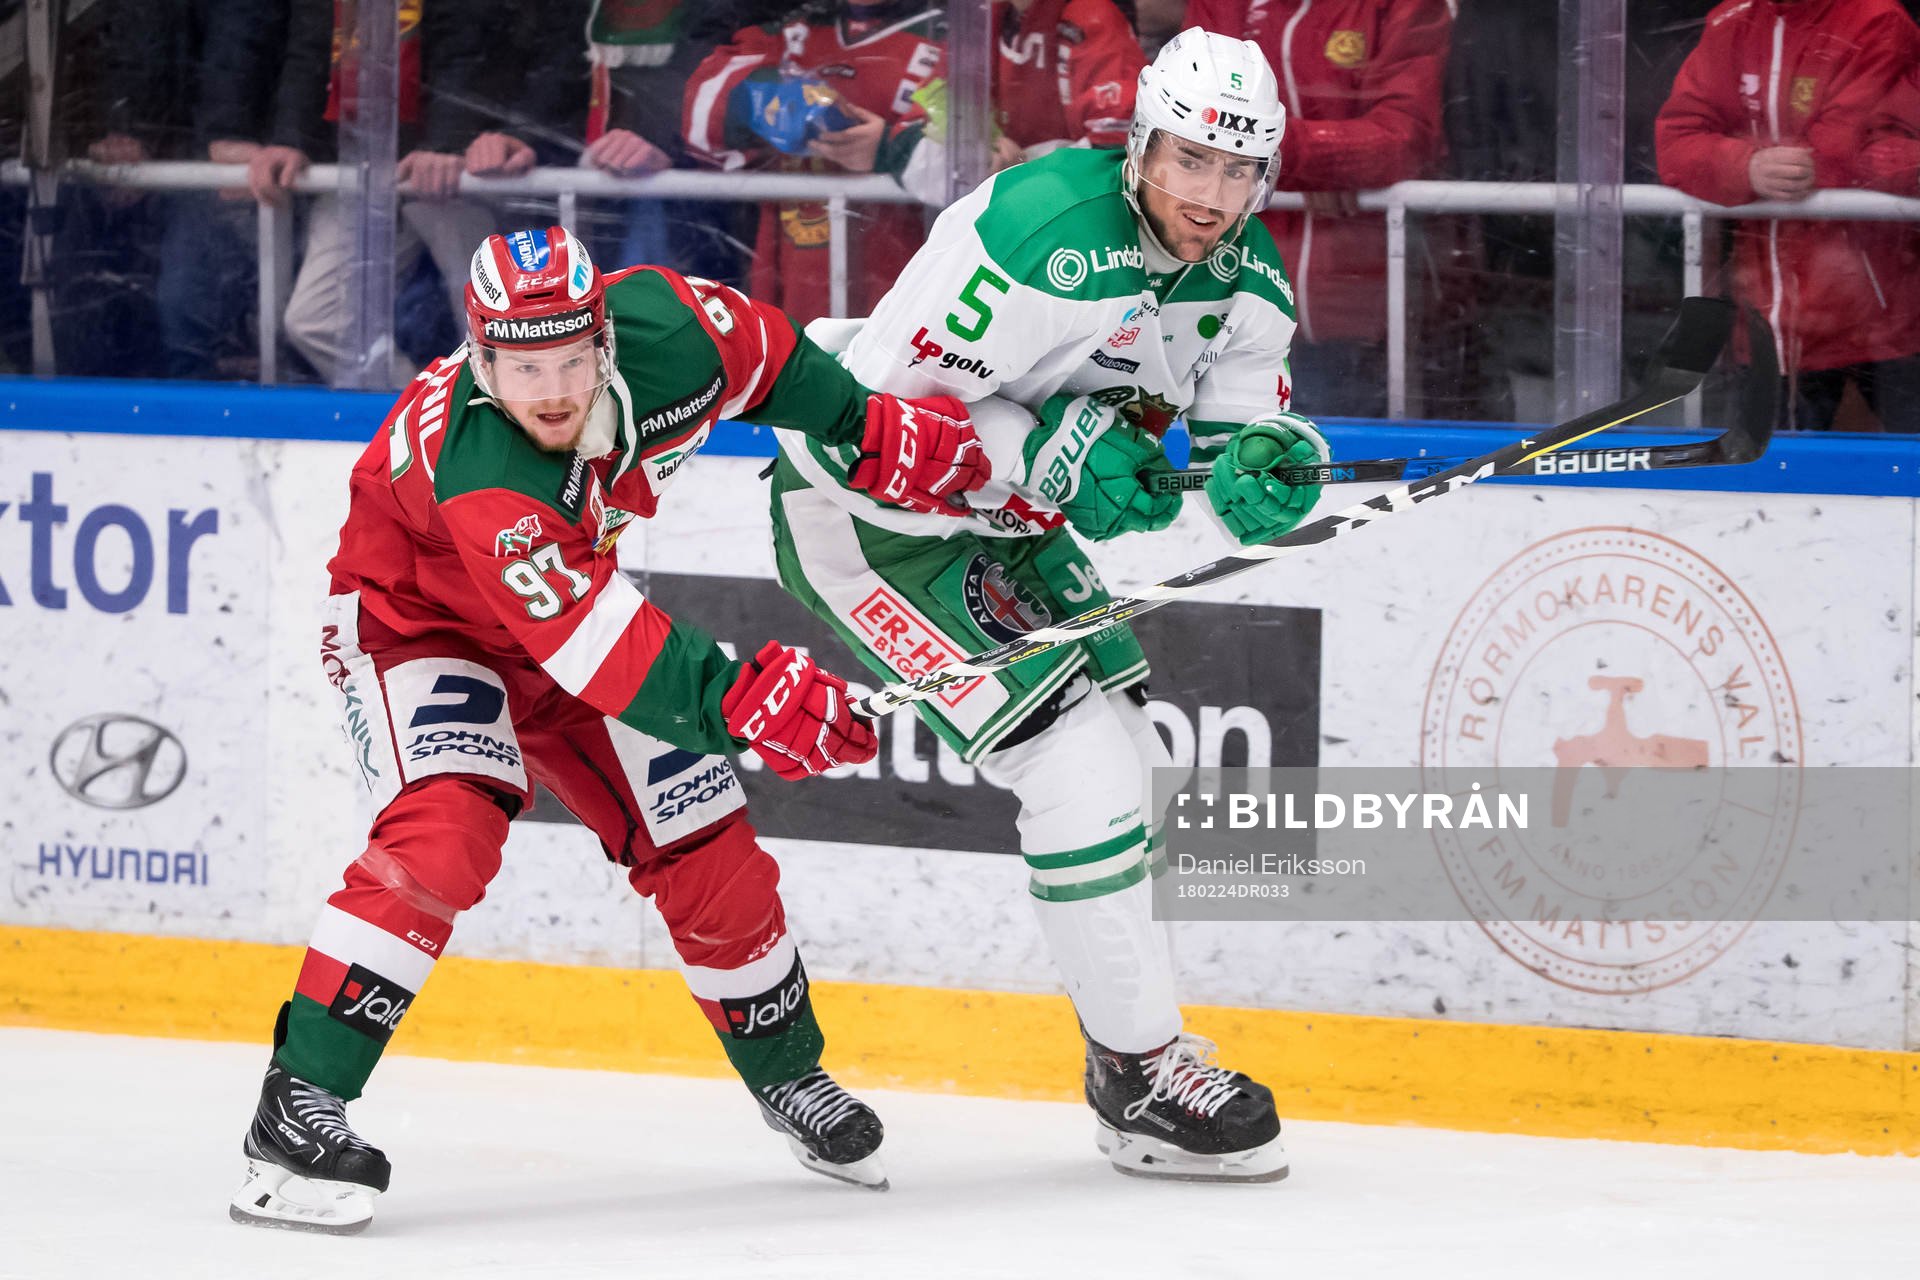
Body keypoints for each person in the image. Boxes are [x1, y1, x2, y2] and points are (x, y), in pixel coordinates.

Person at [229, 224, 987, 1233]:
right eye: (522, 365)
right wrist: (739, 701)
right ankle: (295, 1107)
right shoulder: (485, 470)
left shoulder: (670, 328)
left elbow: (763, 352)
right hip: (417, 627)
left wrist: (866, 427)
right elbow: (604, 653)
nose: (550, 390)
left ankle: (789, 1074)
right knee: (450, 825)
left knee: (700, 830)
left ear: (606, 342)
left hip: (565, 608)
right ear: (481, 358)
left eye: (571, 360)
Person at [765, 27, 1313, 1182]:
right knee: (1076, 767)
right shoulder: (1032, 234)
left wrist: (1270, 472)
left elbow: (1226, 453)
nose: (1211, 196)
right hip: (869, 519)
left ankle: (1133, 1072)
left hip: (1002, 519)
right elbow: (865, 420)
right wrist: (1053, 449)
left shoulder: (1250, 283)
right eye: (1189, 161)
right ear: (1139, 143)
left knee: (1129, 754)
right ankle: (1145, 1067)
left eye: (1238, 170)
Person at [1656, 0, 1920, 431]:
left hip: (1882, 317)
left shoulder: (1876, 18)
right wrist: (1744, 166)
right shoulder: (1732, 21)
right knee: (1764, 483)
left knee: (1902, 470)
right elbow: (1676, 143)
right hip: (1771, 320)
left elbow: (1840, 149)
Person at [1186, 0, 1453, 419]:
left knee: (1348, 471)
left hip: (1355, 311)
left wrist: (1281, 157)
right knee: (1217, 468)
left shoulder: (1402, 6)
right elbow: (1190, 126)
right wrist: (1315, 163)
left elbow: (1406, 138)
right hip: (1227, 298)